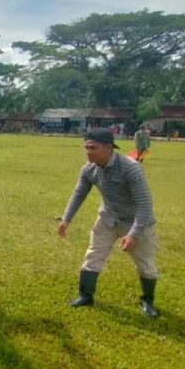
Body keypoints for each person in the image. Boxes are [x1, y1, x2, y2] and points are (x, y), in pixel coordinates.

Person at [57, 128, 160, 317]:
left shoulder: (131, 169)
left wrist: (133, 234)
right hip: (108, 218)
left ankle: (147, 301)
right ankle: (85, 296)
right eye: (86, 148)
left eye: (93, 148)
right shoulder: (89, 169)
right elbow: (79, 193)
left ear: (108, 147)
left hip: (137, 221)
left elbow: (144, 205)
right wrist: (66, 219)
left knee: (145, 264)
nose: (88, 152)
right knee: (93, 255)